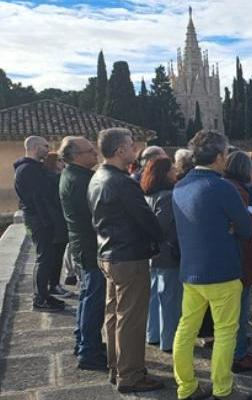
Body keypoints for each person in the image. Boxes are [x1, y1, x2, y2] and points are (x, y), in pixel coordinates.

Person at [172, 130, 252, 400]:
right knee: (224, 333)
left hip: (190, 271)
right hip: (222, 271)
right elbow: (247, 229)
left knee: (186, 330)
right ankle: (223, 389)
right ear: (220, 157)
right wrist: (234, 225)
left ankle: (186, 387)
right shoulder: (222, 187)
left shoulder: (180, 185)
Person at [88, 128, 164, 393]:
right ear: (120, 150)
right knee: (131, 319)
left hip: (107, 254)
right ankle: (130, 376)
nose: (135, 150)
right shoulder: (122, 182)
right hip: (128, 257)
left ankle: (116, 367)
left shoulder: (97, 177)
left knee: (113, 315)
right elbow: (145, 218)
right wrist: (161, 238)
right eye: (131, 146)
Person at [58, 136, 107, 370]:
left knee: (87, 296)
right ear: (76, 155)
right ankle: (89, 351)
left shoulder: (70, 175)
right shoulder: (82, 180)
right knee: (94, 300)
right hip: (90, 247)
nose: (95, 154)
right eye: (90, 151)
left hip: (81, 245)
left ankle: (83, 342)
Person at [223, 151, 252, 374]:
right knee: (239, 309)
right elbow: (245, 228)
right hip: (241, 258)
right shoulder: (239, 191)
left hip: (227, 257)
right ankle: (239, 354)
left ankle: (235, 349)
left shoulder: (224, 185)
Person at [14, 136, 67, 311]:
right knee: (44, 258)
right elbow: (38, 199)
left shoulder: (34, 168)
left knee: (48, 257)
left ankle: (45, 294)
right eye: (45, 146)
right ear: (35, 148)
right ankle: (39, 298)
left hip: (42, 219)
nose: (48, 148)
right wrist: (47, 222)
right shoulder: (28, 170)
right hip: (39, 220)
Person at [141, 157, 182, 354]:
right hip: (167, 252)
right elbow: (161, 226)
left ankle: (153, 334)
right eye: (172, 169)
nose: (175, 171)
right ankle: (169, 340)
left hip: (152, 253)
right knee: (169, 299)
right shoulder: (167, 196)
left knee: (154, 296)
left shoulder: (147, 195)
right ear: (165, 173)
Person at [42, 151, 71, 295]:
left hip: (56, 222)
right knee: (56, 255)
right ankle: (53, 285)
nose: (62, 163)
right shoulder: (55, 178)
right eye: (59, 160)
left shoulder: (50, 178)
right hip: (57, 223)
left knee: (57, 255)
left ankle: (53, 284)